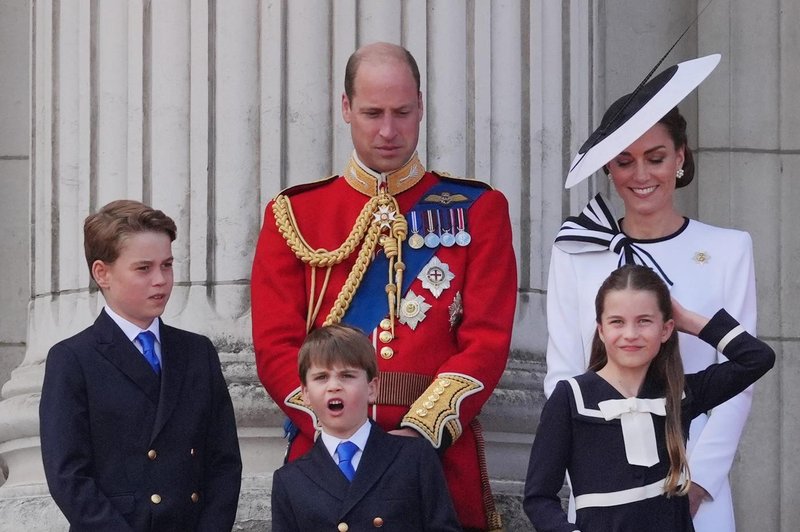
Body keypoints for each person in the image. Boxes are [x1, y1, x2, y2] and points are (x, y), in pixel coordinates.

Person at [251, 42, 516, 531]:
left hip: (435, 454)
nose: (389, 130)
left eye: (403, 112)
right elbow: (275, 346)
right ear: (346, 108)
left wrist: (421, 430)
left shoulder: (479, 208)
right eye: (373, 113)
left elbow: (487, 339)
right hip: (328, 453)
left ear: (421, 104)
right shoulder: (294, 215)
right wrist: (339, 427)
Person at [545, 54, 756, 531]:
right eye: (624, 161)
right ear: (608, 169)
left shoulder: (728, 250)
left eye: (655, 158)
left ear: (680, 158)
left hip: (693, 475)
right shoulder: (576, 251)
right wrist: (588, 477)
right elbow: (563, 372)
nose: (641, 175)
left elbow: (738, 380)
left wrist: (697, 484)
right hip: (602, 482)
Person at [39, 200, 243, 531]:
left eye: (167, 265)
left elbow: (223, 462)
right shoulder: (73, 359)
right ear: (102, 273)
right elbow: (69, 477)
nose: (161, 280)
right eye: (144, 268)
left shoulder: (197, 352)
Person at [526, 265, 774, 532]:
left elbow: (757, 358)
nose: (631, 334)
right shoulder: (570, 398)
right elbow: (539, 498)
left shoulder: (680, 393)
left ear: (666, 329)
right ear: (600, 329)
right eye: (617, 322)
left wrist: (688, 320)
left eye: (644, 321)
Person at [271, 324, 462, 531]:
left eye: (347, 376)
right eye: (321, 377)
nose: (334, 386)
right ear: (305, 394)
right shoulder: (290, 480)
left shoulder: (414, 457)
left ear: (372, 388)